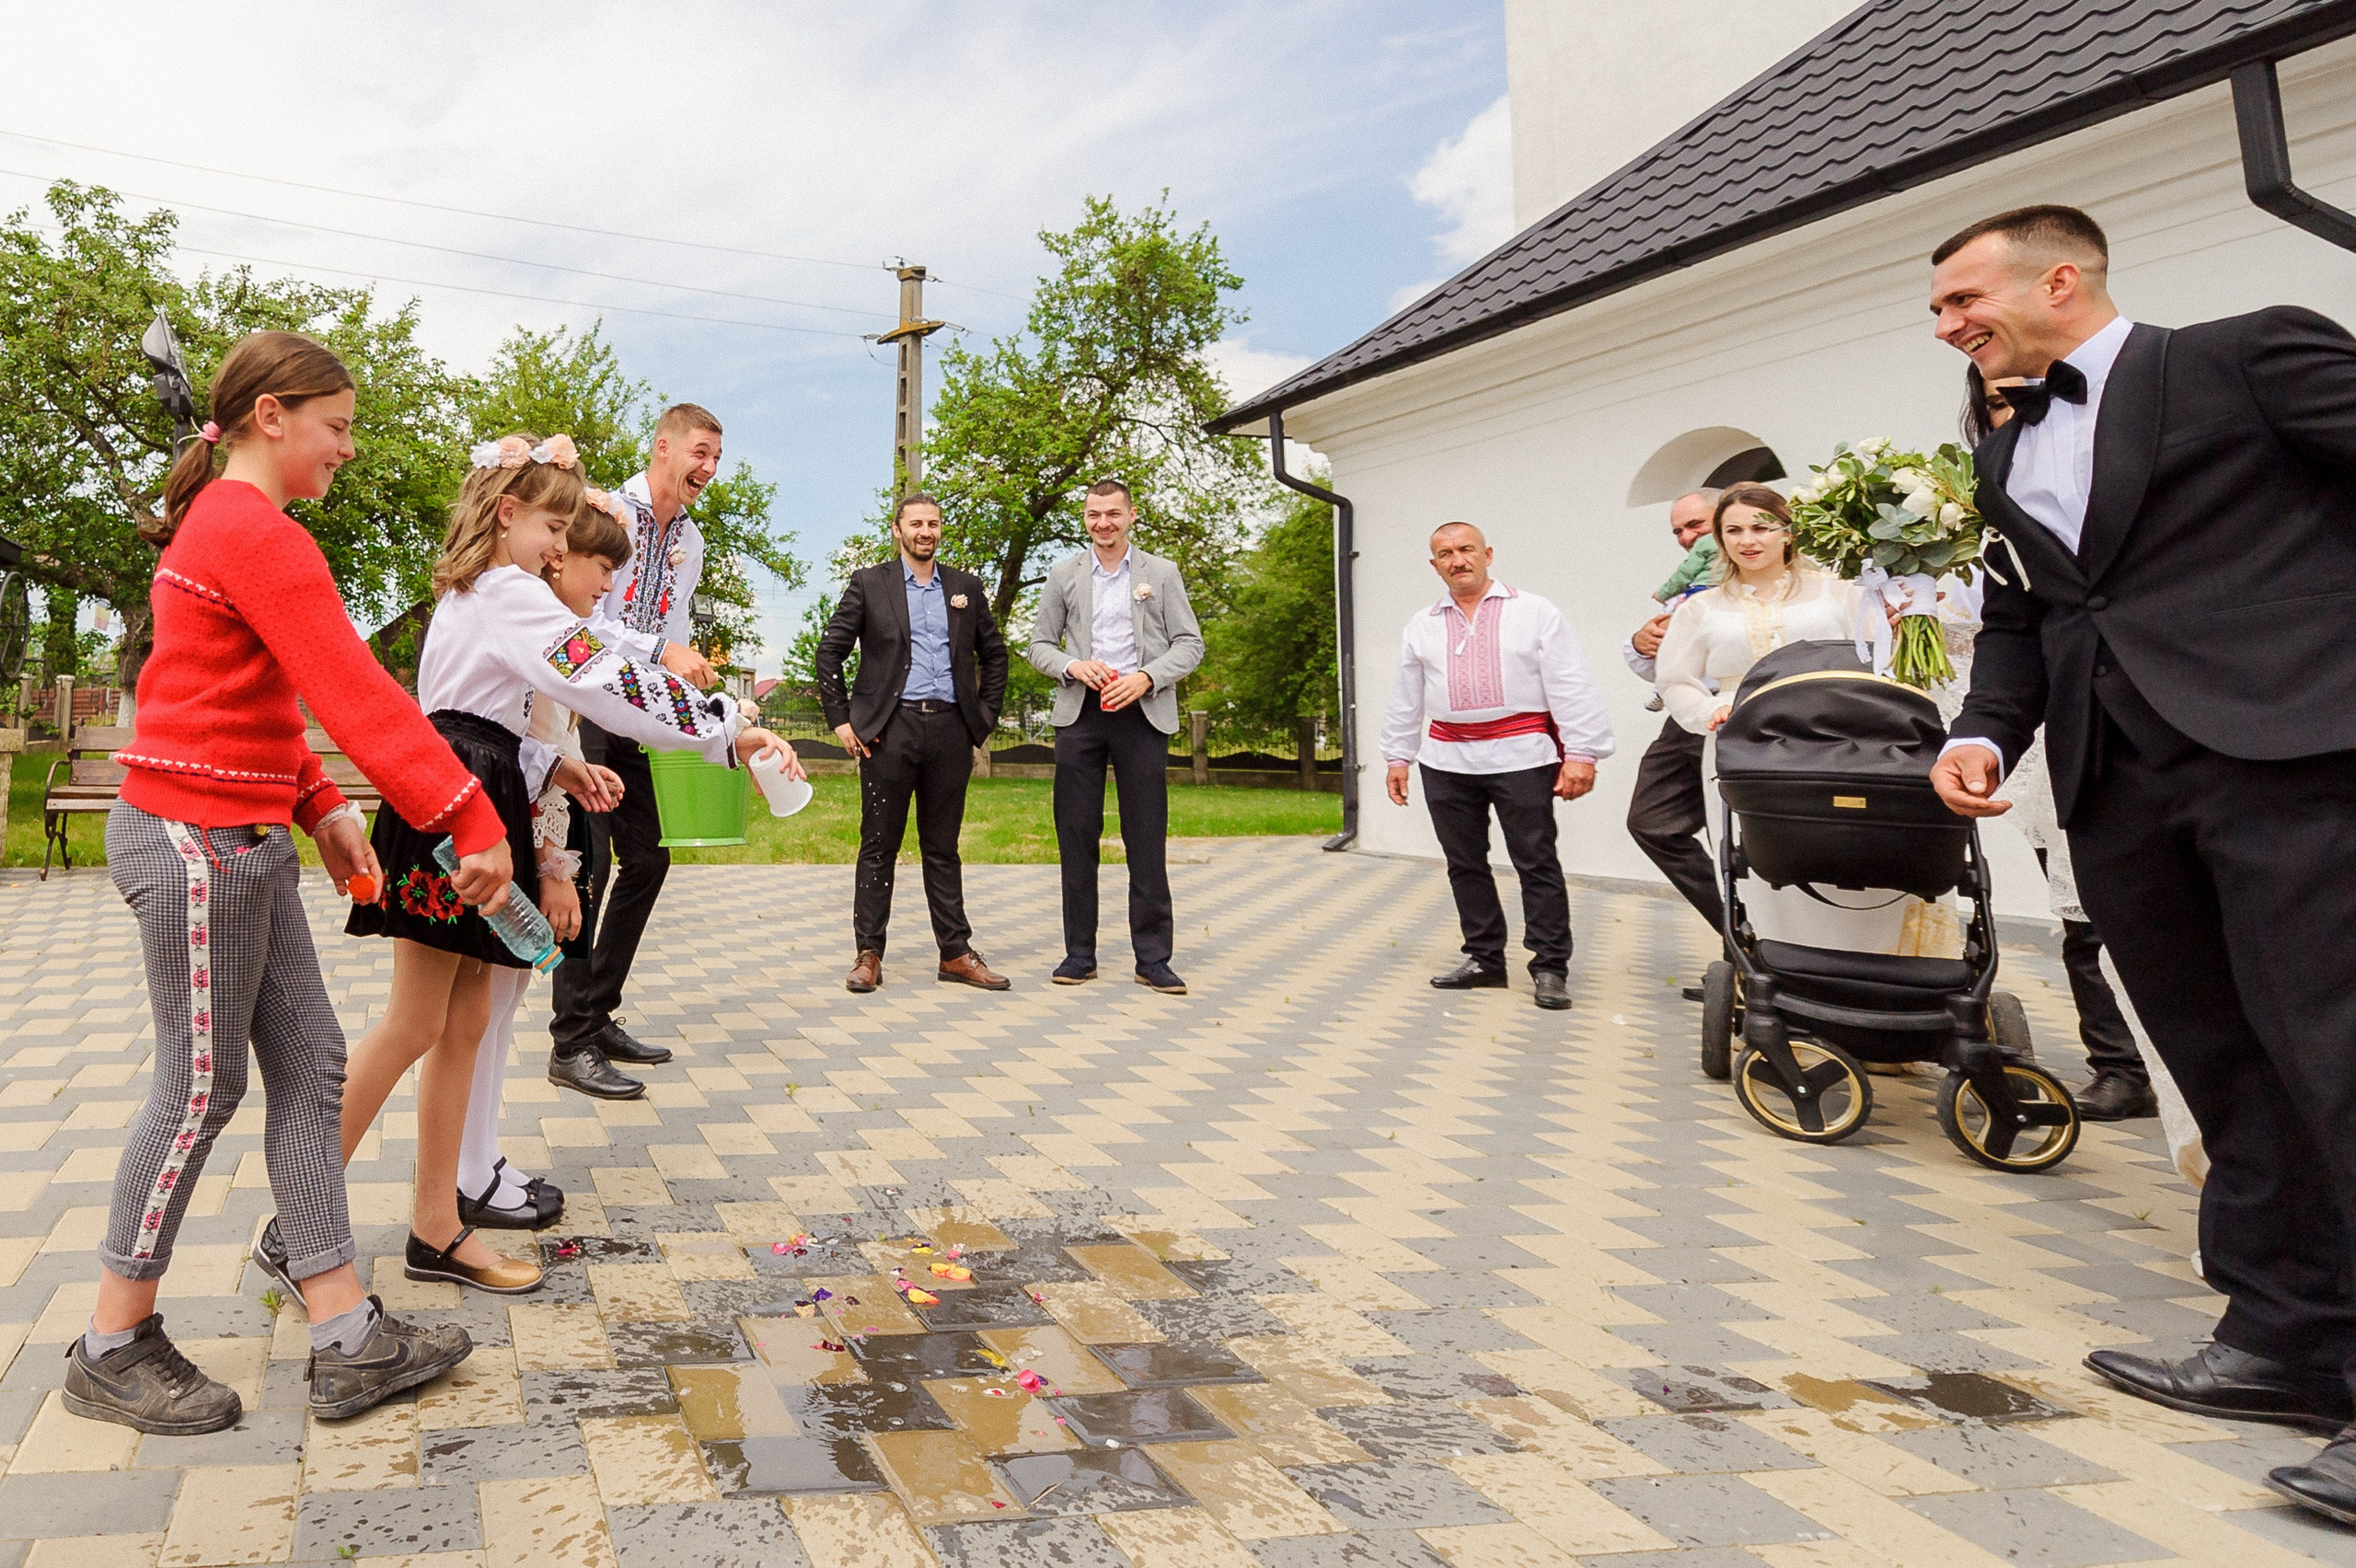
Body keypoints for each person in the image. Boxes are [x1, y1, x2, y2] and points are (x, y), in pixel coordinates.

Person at [1922, 203, 2356, 1521]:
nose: (1946, 327)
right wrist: (1987, 735)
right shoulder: (2001, 445)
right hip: (2123, 786)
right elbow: (2027, 610)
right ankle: (2286, 1333)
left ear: (2062, 277)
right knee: (2222, 1058)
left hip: (2296, 755)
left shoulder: (2245, 355)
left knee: (2339, 1056)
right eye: (1939, 312)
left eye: (1962, 300)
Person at [73, 330, 478, 1434]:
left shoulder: (242, 528)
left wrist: (317, 805)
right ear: (272, 417)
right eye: (337, 427)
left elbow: (234, 699)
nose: (346, 449)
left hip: (240, 838)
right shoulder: (251, 530)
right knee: (202, 1089)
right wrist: (464, 818)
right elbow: (358, 696)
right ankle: (112, 1342)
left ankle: (345, 1333)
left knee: (313, 1067)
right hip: (197, 849)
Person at [323, 433, 785, 1296]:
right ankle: (302, 1217)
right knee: (415, 1024)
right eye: (553, 528)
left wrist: (554, 765)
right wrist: (726, 730)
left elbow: (510, 712)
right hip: (460, 801)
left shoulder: (484, 592)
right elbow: (603, 677)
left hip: (478, 785)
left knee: (461, 1024)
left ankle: (436, 1227)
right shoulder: (507, 591)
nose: (562, 549)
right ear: (508, 516)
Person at [454, 492, 653, 1232]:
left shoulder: (519, 613)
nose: (605, 584)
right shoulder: (520, 616)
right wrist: (555, 871)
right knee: (462, 1016)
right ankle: (460, 1178)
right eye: (596, 563)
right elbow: (525, 741)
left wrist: (565, 773)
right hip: (497, 832)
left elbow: (542, 748)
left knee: (493, 1007)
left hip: (505, 821)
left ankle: (477, 1162)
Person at [1960, 365, 2153, 1122]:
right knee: (2081, 907)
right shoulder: (1986, 513)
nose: (2016, 416)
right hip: (2027, 735)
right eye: (1999, 405)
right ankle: (2119, 1060)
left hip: (2131, 717)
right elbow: (2005, 630)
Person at [550, 404, 727, 1075]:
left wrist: (688, 706)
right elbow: (584, 622)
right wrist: (661, 648)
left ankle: (597, 1012)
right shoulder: (605, 514)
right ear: (663, 447)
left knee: (649, 860)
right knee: (588, 866)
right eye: (699, 453)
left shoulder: (693, 540)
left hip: (632, 708)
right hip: (581, 701)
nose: (708, 469)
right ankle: (571, 1041)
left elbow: (674, 629)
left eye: (716, 458)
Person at [1381, 522, 1612, 1011]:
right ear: (1434, 564)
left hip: (1521, 753)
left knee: (1536, 861)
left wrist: (1582, 752)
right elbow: (1406, 697)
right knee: (1464, 863)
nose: (1457, 559)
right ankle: (1484, 959)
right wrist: (1397, 755)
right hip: (1445, 759)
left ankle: (1550, 966)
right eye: (1445, 553)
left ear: (1487, 553)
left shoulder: (1533, 612)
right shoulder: (1422, 623)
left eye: (1466, 549)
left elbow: (1570, 682)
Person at [814, 492, 1011, 993]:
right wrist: (843, 720)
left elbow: (995, 654)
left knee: (943, 848)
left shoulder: (965, 587)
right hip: (890, 729)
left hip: (949, 729)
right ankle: (868, 954)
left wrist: (981, 720)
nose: (926, 531)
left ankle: (955, 953)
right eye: (916, 524)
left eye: (934, 524)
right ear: (898, 530)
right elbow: (829, 653)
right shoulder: (870, 584)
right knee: (878, 844)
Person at [1026, 480, 1204, 994]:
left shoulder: (1161, 573)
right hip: (1080, 715)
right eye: (1093, 515)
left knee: (1145, 837)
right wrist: (1072, 664)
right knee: (1076, 836)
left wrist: (1147, 677)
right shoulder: (1064, 574)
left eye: (1112, 514)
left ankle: (1153, 958)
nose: (1103, 523)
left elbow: (1190, 644)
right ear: (1084, 518)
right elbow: (1039, 644)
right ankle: (1079, 953)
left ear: (1131, 516)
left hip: (1142, 714)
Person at [1622, 489, 1727, 938]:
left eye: (1695, 526)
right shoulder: (1688, 589)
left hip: (1750, 721)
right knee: (1651, 823)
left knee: (1748, 841)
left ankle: (1763, 957)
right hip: (1687, 720)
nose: (1686, 538)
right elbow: (1664, 671)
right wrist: (1642, 643)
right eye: (1678, 531)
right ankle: (1738, 937)